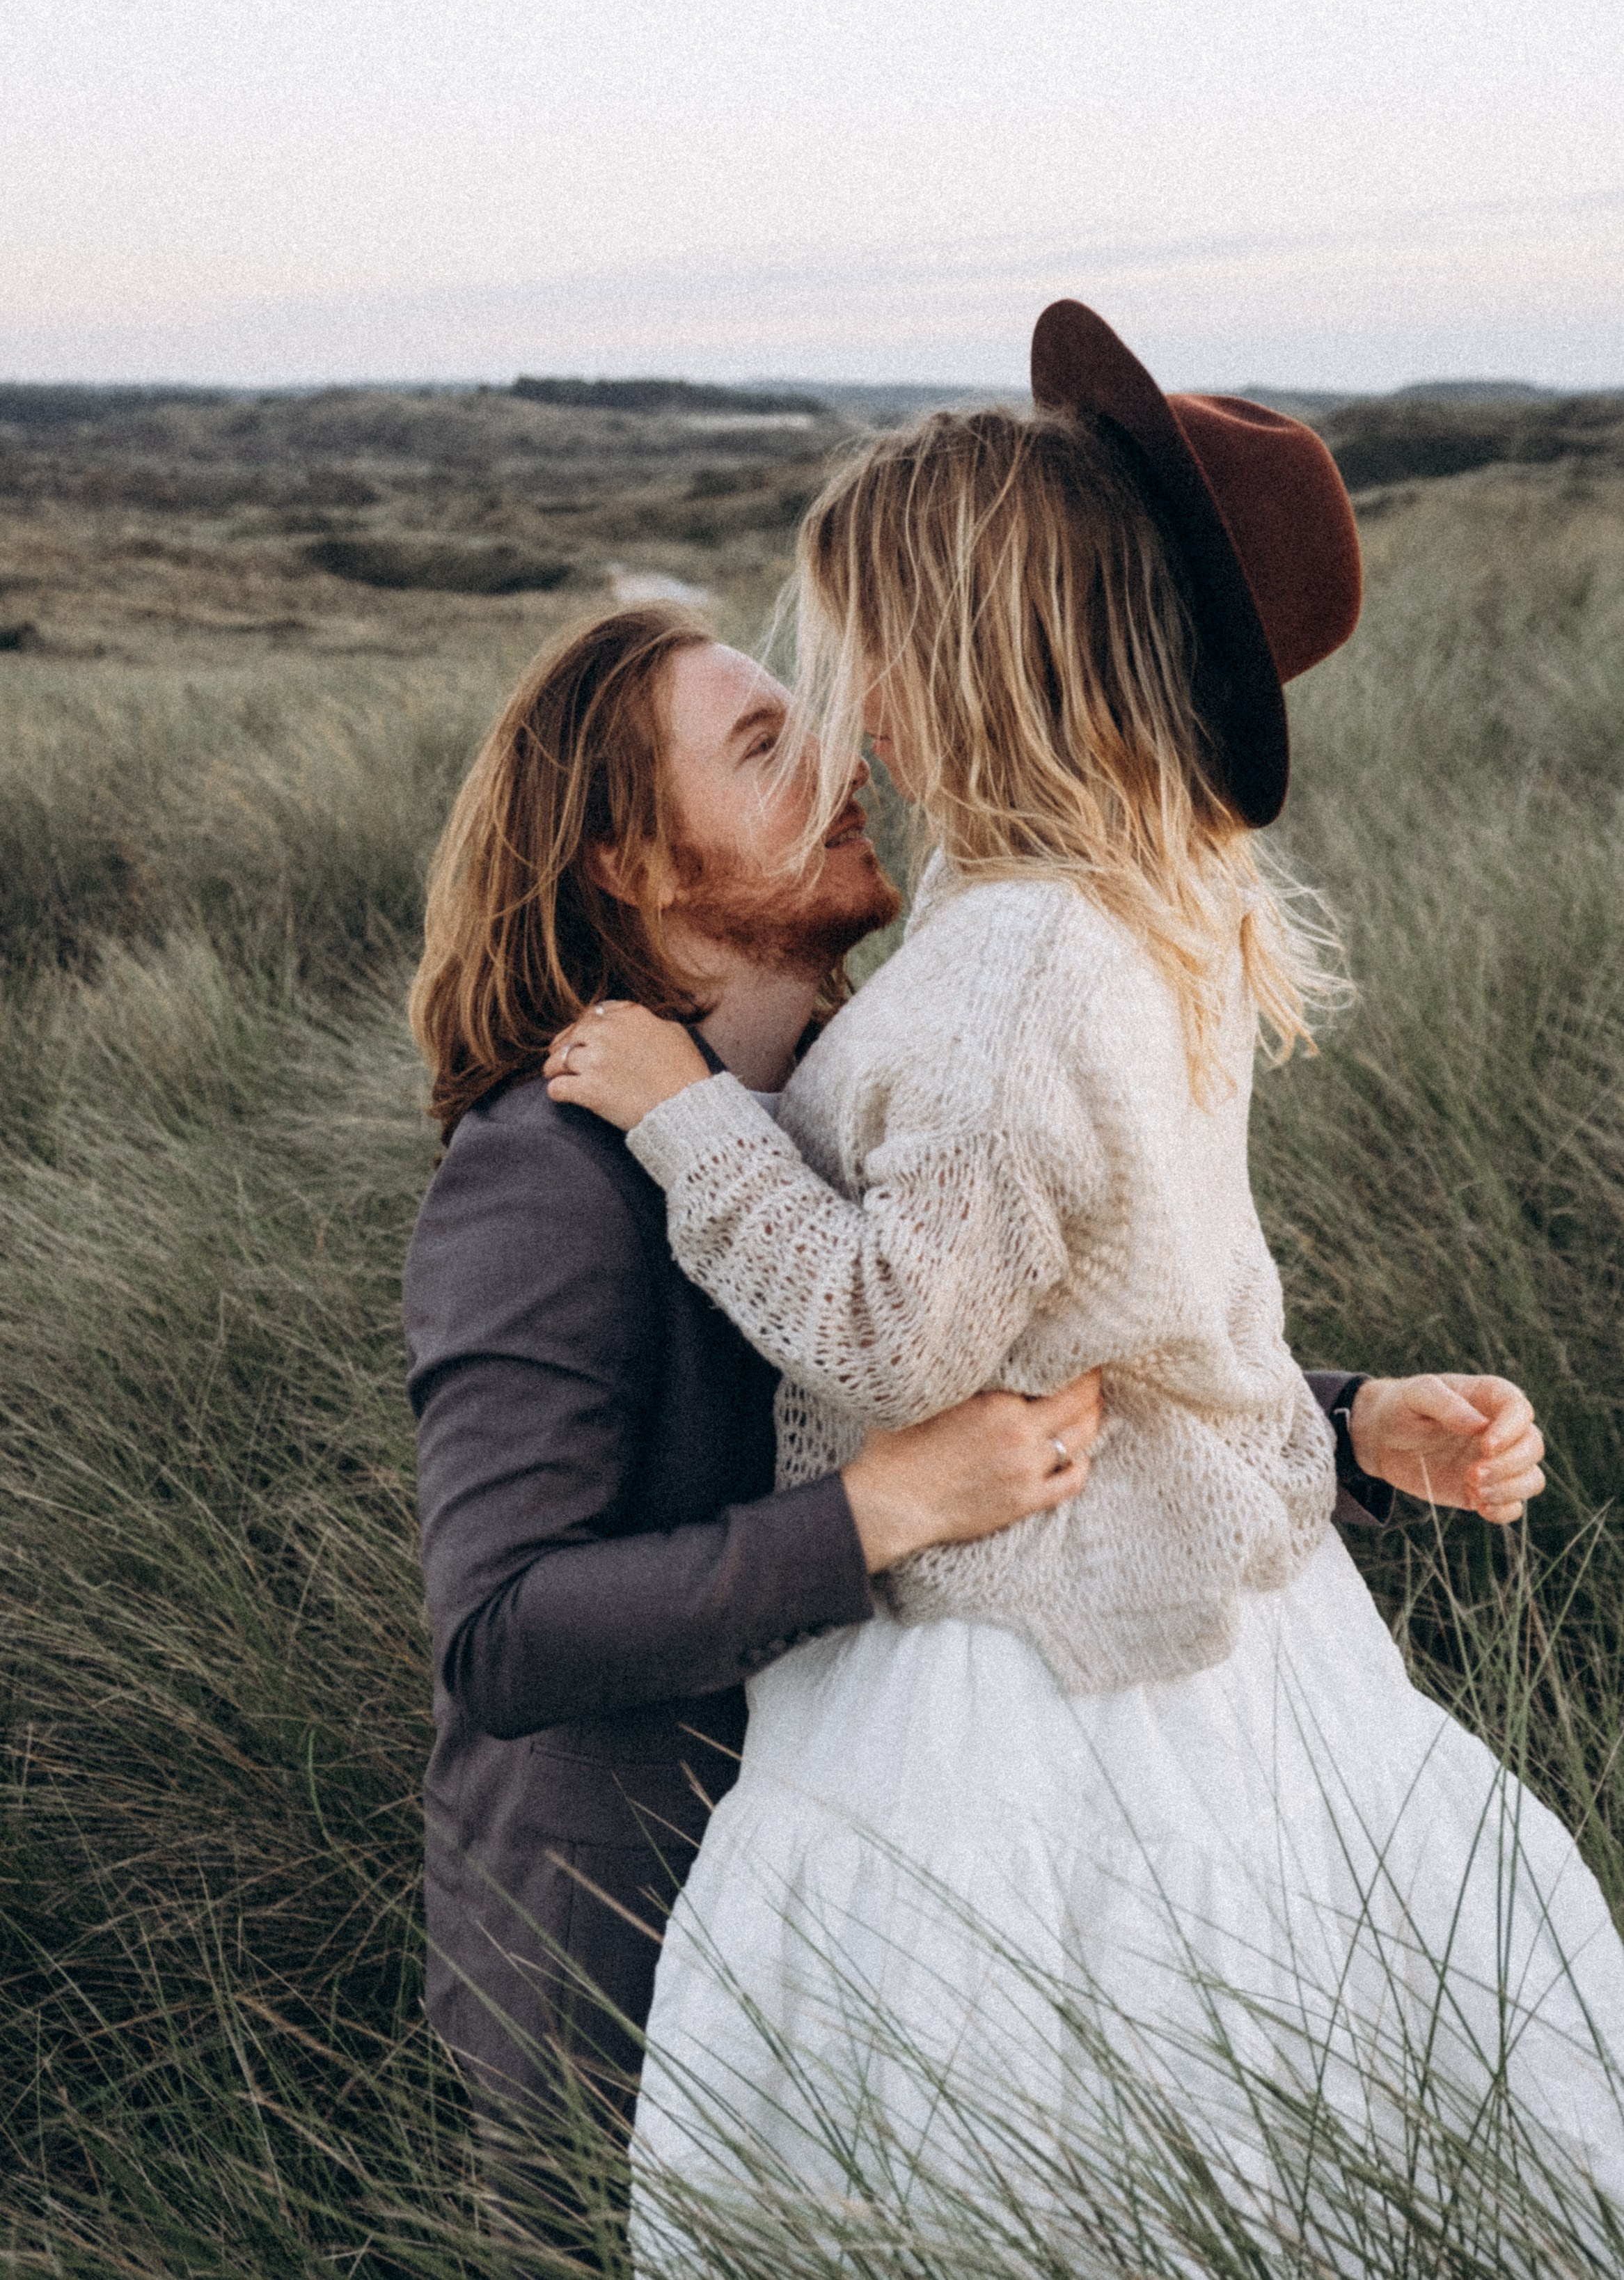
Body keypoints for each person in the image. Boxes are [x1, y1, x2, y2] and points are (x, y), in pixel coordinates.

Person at [544, 304, 1621, 2247]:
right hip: (1194, 1627)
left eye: (866, 646)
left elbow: (903, 1330)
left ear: (960, 661)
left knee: (1012, 2140)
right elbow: (1133, 1306)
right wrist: (1351, 1419)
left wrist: (689, 1118)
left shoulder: (1014, 965)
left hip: (1022, 1675)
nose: (846, 702)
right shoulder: (1100, 907)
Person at [402, 601, 1537, 2200]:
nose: (842, 761)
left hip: (897, 1915)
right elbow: (505, 1632)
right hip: (628, 1965)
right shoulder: (543, 1174)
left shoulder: (871, 1073)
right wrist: (880, 1513)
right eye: (765, 748)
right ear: (634, 863)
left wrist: (1343, 1424)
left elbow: (1006, 1361)